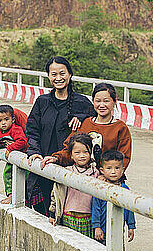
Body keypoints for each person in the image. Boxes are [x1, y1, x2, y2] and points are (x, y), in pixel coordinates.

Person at [26, 57, 96, 215]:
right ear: (49, 76)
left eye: (62, 73)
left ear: (70, 74)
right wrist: (34, 151)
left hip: (72, 170)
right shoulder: (42, 102)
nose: (58, 78)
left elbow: (94, 128)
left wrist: (82, 117)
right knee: (43, 214)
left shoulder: (82, 103)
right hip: (43, 167)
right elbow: (32, 130)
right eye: (53, 74)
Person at [40, 83, 132, 174]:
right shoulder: (84, 123)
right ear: (93, 102)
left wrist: (108, 175)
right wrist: (56, 158)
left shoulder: (120, 128)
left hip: (107, 180)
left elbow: (124, 159)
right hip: (82, 176)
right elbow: (69, 150)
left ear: (114, 102)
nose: (102, 105)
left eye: (106, 101)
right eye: (98, 101)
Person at [48, 134, 100, 237]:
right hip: (68, 216)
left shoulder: (96, 173)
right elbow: (55, 194)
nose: (82, 155)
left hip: (88, 217)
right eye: (77, 152)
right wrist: (52, 214)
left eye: (86, 152)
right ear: (71, 155)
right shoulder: (67, 172)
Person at [92, 150, 135, 245]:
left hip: (118, 230)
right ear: (102, 170)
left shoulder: (125, 189)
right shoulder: (100, 188)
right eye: (109, 168)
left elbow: (129, 209)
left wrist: (131, 226)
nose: (113, 172)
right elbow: (96, 208)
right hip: (102, 231)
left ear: (123, 170)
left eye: (117, 168)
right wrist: (97, 227)